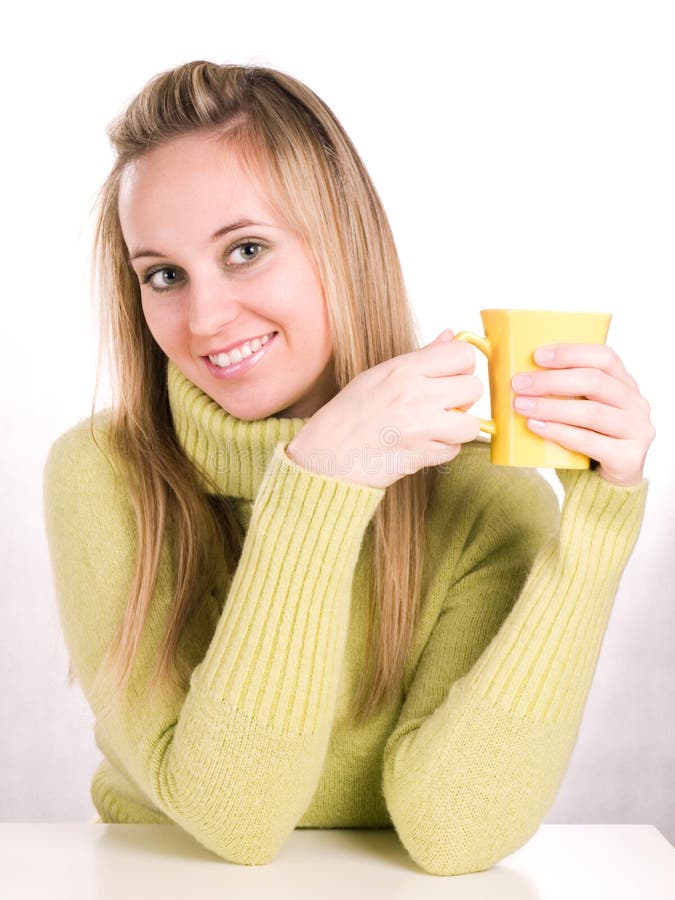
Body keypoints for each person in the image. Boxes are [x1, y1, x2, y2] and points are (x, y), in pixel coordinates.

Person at [42, 60, 655, 876]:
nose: (204, 317)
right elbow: (233, 819)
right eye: (163, 274)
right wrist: (320, 481)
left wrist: (595, 533)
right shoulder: (103, 475)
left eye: (247, 250)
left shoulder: (484, 498)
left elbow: (455, 834)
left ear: (345, 239)